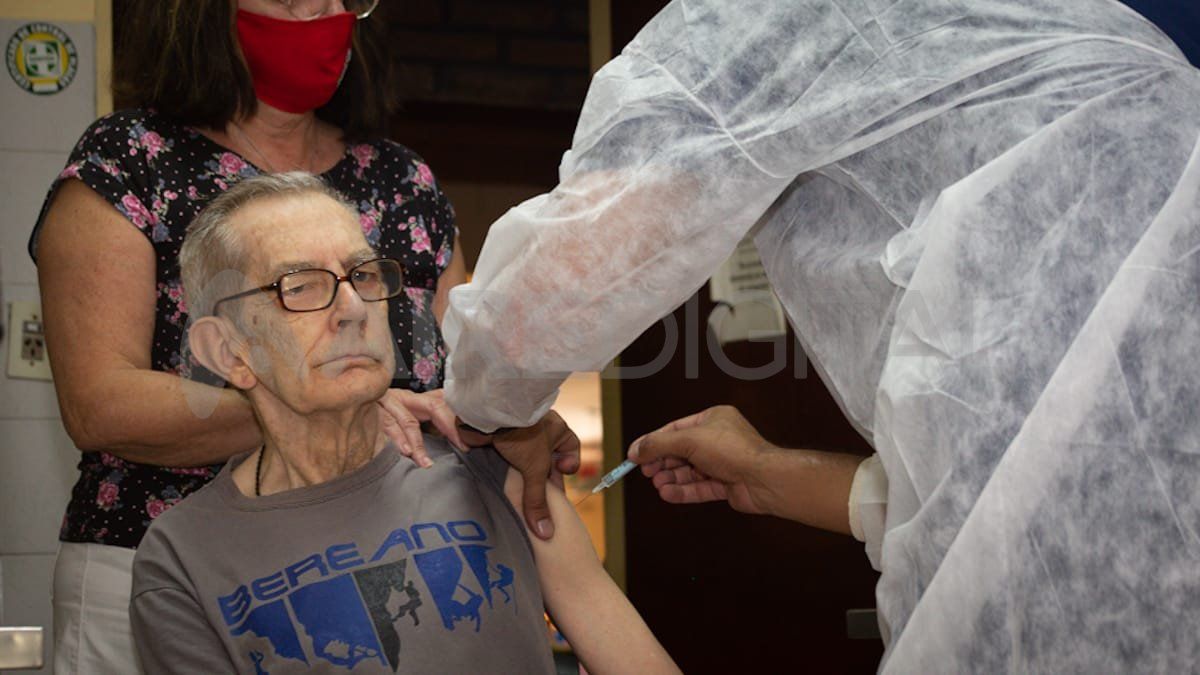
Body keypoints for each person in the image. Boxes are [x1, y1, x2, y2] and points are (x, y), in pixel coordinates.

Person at [440, 0, 1200, 671]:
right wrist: (773, 472)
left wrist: (487, 409)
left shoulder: (794, 17)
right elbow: (1033, 478)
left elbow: (560, 279)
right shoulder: (1106, 55)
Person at [30, 1, 571, 671]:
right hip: (155, 567)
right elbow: (99, 403)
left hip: (385, 554)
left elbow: (451, 384)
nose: (320, 13)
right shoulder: (130, 161)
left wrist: (510, 418)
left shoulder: (403, 181)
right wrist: (333, 408)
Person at [130, 172, 677, 674]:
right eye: (299, 286)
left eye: (363, 275)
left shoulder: (491, 465)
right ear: (228, 352)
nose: (352, 307)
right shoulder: (183, 557)